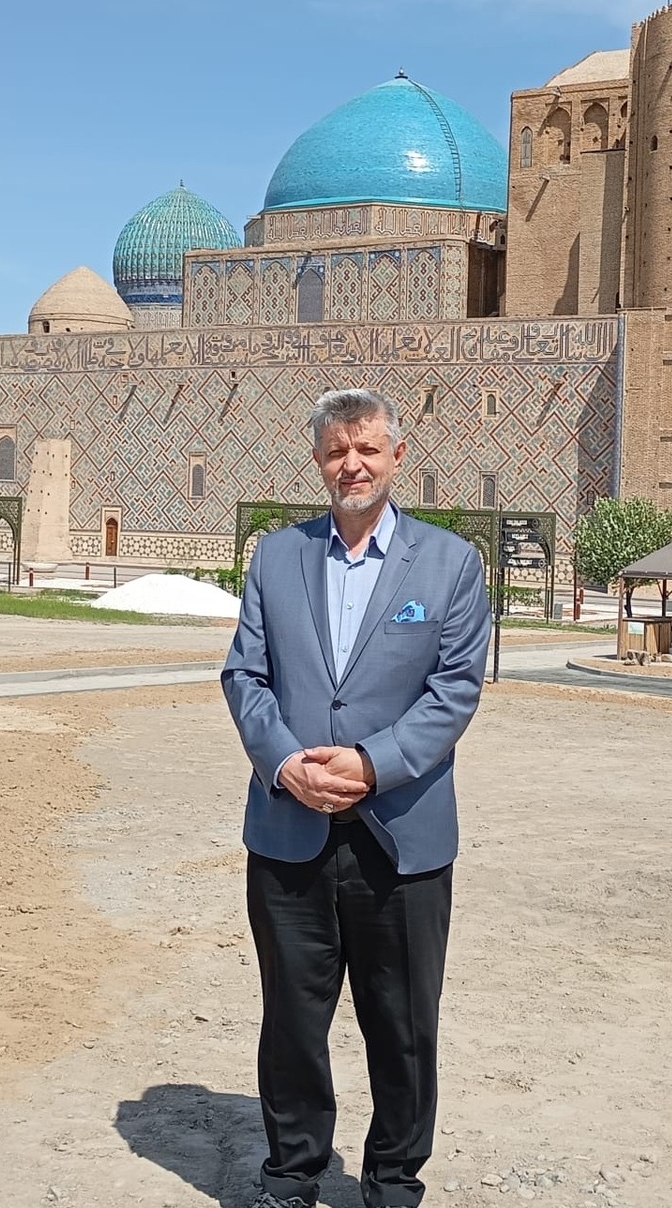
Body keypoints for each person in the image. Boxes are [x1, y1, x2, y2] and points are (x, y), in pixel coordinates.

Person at [222, 388, 491, 1208]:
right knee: (292, 1022)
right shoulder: (277, 558)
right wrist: (284, 765)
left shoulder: (450, 564)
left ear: (397, 457)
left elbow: (455, 690)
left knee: (403, 1027)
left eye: (367, 449)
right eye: (338, 451)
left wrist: (373, 765)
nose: (353, 465)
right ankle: (291, 1177)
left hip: (400, 836)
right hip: (290, 829)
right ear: (318, 460)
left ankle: (393, 1183)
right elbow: (245, 676)